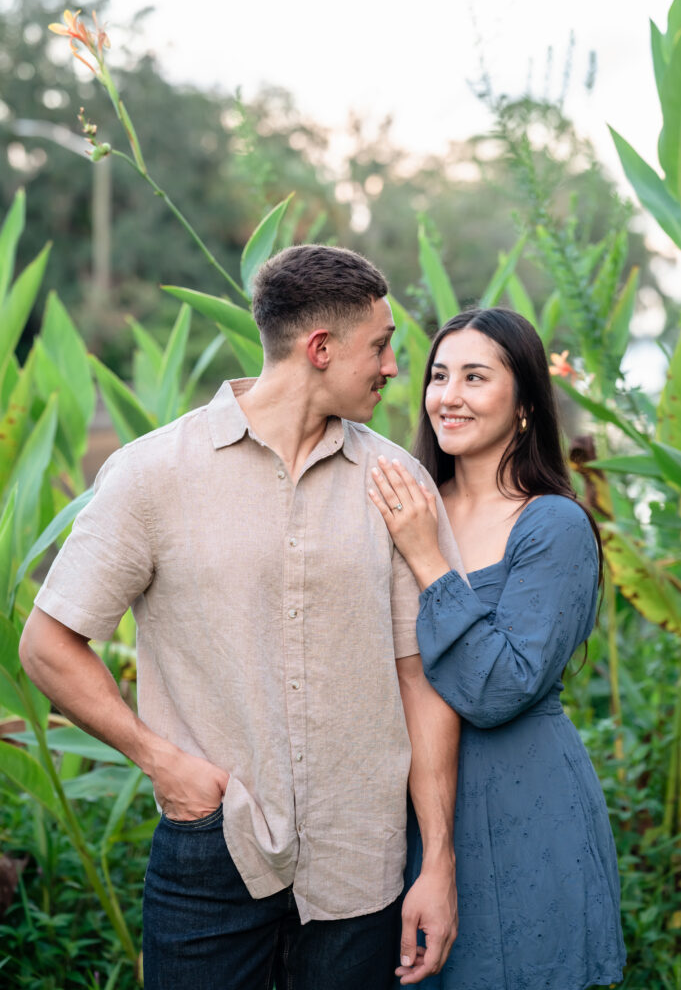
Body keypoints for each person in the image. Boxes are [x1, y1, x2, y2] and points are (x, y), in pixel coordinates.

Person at [19, 245, 463, 990]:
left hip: (362, 863)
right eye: (380, 346)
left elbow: (420, 681)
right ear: (319, 349)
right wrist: (163, 763)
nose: (393, 369)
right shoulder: (154, 473)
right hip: (211, 849)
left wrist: (438, 864)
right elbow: (48, 643)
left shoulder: (397, 481)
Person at [370, 307, 626, 989]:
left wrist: (428, 561)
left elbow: (501, 688)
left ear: (522, 405)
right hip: (408, 810)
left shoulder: (552, 524)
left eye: (475, 377)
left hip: (523, 805)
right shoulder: (404, 501)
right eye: (438, 376)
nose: (448, 396)